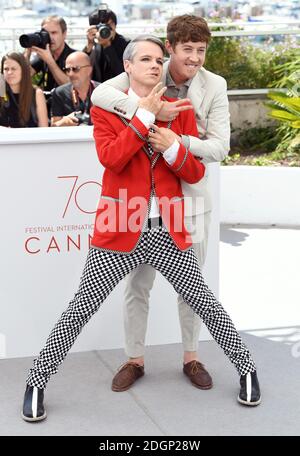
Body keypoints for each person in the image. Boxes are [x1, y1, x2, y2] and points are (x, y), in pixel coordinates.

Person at [22, 35, 260, 423]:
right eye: (145, 59)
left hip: (167, 229)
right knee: (80, 309)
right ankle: (36, 381)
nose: (155, 65)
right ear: (127, 67)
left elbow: (195, 170)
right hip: (119, 227)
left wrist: (172, 146)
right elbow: (112, 160)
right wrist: (145, 117)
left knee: (205, 302)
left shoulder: (179, 109)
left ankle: (247, 369)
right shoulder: (107, 110)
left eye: (159, 59)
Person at [90, 14, 230, 391]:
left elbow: (220, 147)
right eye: (188, 50)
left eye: (201, 50)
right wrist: (148, 113)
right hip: (141, 207)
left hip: (191, 198)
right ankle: (134, 359)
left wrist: (176, 142)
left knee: (194, 287)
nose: (196, 58)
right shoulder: (147, 66)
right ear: (170, 49)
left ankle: (192, 357)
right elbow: (99, 95)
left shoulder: (214, 85)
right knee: (137, 285)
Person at [26, 15, 76, 93]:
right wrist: (27, 52)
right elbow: (24, 75)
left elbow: (71, 86)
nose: (50, 37)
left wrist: (49, 61)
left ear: (64, 34)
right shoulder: (44, 56)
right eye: (46, 33)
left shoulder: (74, 57)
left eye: (54, 33)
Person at [0, 52, 48, 128]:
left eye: (13, 69)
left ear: (23, 70)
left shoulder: (36, 93)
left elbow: (43, 128)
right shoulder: (0, 90)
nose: (9, 72)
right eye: (6, 69)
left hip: (31, 139)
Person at [51, 52, 99, 127]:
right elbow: (52, 128)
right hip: (71, 138)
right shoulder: (59, 93)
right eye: (67, 70)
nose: (71, 74)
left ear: (89, 70)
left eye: (75, 69)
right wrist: (64, 122)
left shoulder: (103, 91)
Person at [83, 7, 129, 83]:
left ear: (114, 25)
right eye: (100, 27)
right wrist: (89, 46)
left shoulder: (127, 44)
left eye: (108, 25)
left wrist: (107, 46)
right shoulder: (94, 44)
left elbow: (124, 76)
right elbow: (81, 70)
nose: (104, 30)